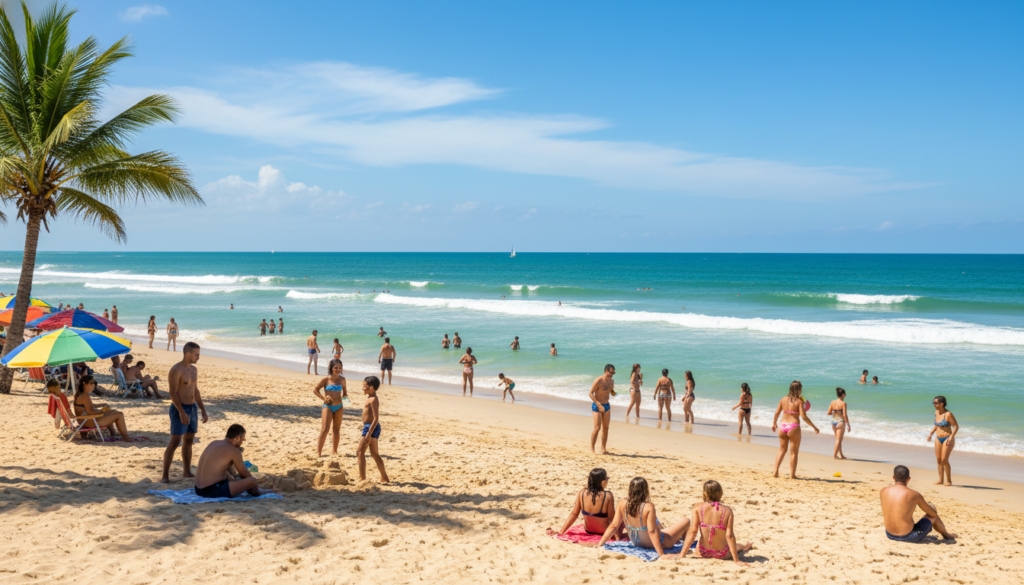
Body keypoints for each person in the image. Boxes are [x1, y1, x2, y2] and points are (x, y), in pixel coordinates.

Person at [595, 477, 691, 558]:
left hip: (637, 543)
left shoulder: (622, 504)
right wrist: (661, 554)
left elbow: (614, 526)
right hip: (661, 543)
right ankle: (682, 544)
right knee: (686, 521)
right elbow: (652, 531)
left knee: (666, 530)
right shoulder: (648, 507)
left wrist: (600, 544)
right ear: (645, 490)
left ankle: (679, 541)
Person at [162, 342, 208, 483]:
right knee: (175, 442)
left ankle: (186, 472)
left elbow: (195, 390)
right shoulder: (177, 370)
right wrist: (181, 412)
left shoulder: (193, 370)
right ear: (188, 354)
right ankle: (165, 475)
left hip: (192, 407)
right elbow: (173, 393)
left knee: (189, 440)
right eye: (196, 354)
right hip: (179, 408)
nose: (198, 357)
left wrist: (203, 409)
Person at [676, 480, 752, 565]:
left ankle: (745, 545)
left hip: (703, 552)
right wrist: (737, 560)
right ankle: (746, 545)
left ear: (705, 493)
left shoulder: (697, 507)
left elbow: (693, 531)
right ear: (721, 493)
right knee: (737, 546)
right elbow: (729, 536)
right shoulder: (727, 510)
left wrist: (681, 555)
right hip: (721, 554)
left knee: (699, 542)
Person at [880, 465, 957, 543]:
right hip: (908, 536)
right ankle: (946, 535)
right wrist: (931, 507)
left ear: (893, 477)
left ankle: (946, 534)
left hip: (889, 534)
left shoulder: (883, 491)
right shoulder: (914, 494)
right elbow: (932, 514)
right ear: (908, 479)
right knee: (933, 512)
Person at [194, 424, 266, 499]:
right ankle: (260, 491)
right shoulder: (234, 451)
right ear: (237, 438)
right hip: (211, 491)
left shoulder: (214, 443)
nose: (242, 443)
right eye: (242, 440)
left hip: (198, 489)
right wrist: (254, 487)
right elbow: (245, 475)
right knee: (252, 481)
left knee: (227, 474)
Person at [550, 468, 622, 538]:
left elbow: (574, 514)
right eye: (607, 479)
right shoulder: (608, 496)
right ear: (603, 482)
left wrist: (561, 532)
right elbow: (611, 518)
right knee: (621, 518)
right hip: (603, 532)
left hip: (588, 531)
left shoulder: (581, 493)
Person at [771, 380, 820, 479]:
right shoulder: (799, 401)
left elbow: (776, 413)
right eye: (801, 390)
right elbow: (804, 417)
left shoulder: (783, 399)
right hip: (793, 427)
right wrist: (814, 427)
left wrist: (774, 423)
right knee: (793, 452)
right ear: (799, 390)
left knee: (782, 450)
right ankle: (792, 475)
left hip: (782, 426)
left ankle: (775, 472)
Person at [72, 375, 131, 441]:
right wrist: (101, 412)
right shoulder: (84, 395)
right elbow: (90, 412)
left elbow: (87, 406)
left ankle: (113, 433)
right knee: (119, 414)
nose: (93, 385)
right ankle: (126, 438)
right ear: (84, 384)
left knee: (113, 411)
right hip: (88, 421)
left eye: (93, 383)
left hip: (85, 420)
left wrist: (101, 406)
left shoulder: (81, 394)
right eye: (91, 383)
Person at [358, 376, 389, 482]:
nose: (363, 388)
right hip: (370, 427)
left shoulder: (373, 399)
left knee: (360, 452)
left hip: (370, 427)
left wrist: (368, 433)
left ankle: (362, 478)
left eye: (364, 386)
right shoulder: (370, 398)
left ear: (371, 387)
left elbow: (376, 419)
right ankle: (384, 477)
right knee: (374, 453)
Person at [314, 359, 348, 457]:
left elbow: (345, 393)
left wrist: (346, 404)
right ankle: (319, 453)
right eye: (336, 368)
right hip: (328, 406)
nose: (338, 370)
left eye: (340, 368)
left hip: (339, 407)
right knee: (325, 429)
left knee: (336, 430)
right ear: (331, 368)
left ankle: (334, 451)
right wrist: (323, 398)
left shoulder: (342, 380)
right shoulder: (326, 380)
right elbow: (315, 390)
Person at [927, 396, 958, 486]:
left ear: (942, 404)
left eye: (935, 403)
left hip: (947, 438)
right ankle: (941, 480)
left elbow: (956, 426)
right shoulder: (936, 412)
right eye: (933, 403)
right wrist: (931, 434)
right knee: (939, 460)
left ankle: (948, 480)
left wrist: (951, 437)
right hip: (938, 438)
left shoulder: (948, 414)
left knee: (944, 459)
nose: (934, 405)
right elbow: (936, 425)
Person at [589, 364, 615, 454]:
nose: (611, 374)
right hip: (597, 405)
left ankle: (603, 448)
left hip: (606, 405)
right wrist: (598, 404)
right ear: (606, 371)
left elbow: (611, 391)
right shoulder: (598, 380)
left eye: (613, 373)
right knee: (597, 428)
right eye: (610, 372)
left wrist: (613, 392)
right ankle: (592, 449)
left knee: (606, 428)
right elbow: (590, 394)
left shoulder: (612, 381)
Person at [827, 387, 851, 459]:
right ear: (842, 395)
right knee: (838, 440)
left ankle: (841, 455)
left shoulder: (832, 402)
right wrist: (848, 425)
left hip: (833, 422)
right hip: (840, 422)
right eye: (845, 394)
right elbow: (845, 415)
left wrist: (835, 411)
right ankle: (834, 456)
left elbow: (828, 413)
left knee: (838, 440)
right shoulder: (843, 403)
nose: (846, 395)